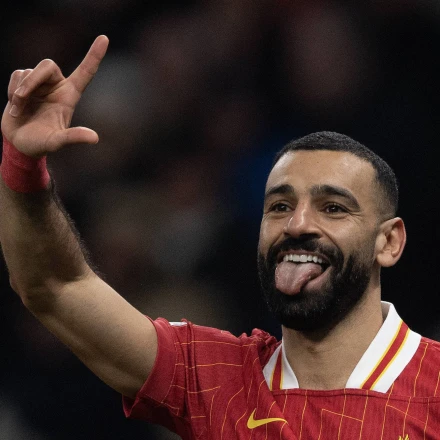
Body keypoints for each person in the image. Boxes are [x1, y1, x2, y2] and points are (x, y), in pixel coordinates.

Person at [1, 35, 440, 440]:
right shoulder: (214, 379)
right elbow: (54, 285)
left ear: (389, 242)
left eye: (333, 208)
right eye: (280, 206)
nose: (297, 225)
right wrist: (23, 162)